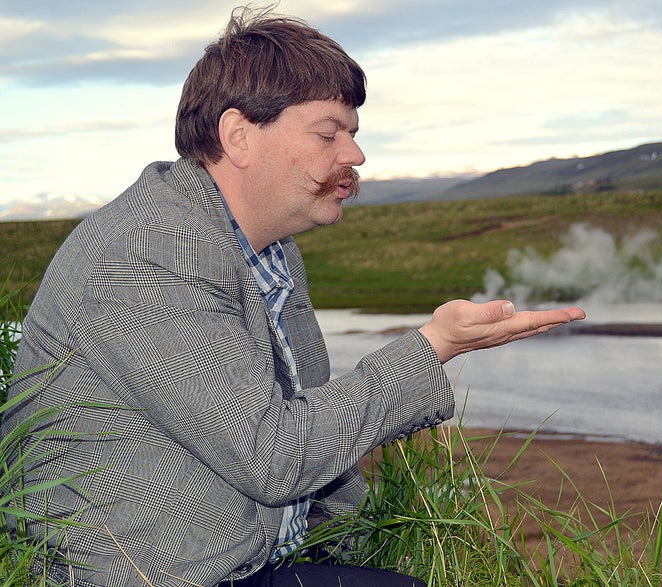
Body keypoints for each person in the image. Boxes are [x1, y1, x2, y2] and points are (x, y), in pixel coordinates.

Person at [2, 7, 585, 587]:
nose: (353, 157)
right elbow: (273, 453)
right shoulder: (145, 255)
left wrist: (361, 543)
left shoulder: (270, 249)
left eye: (353, 136)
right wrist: (430, 348)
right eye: (328, 134)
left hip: (247, 561)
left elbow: (304, 417)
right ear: (239, 136)